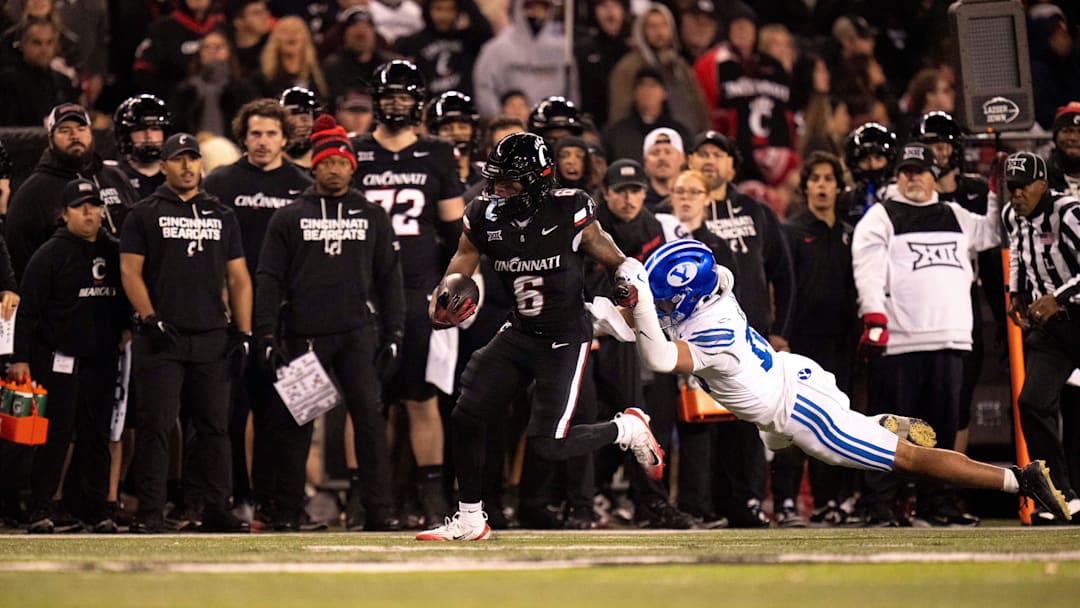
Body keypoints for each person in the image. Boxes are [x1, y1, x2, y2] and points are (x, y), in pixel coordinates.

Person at [612, 239, 1071, 526]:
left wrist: (634, 305)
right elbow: (651, 322)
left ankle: (1017, 478)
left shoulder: (713, 332)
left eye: (668, 299)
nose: (663, 307)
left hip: (800, 411)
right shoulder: (718, 286)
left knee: (909, 460)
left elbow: (656, 350)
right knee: (779, 441)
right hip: (792, 374)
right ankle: (875, 423)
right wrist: (617, 309)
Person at [415, 132, 664, 541]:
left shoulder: (569, 209)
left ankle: (627, 429)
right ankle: (471, 517)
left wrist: (627, 287)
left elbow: (615, 259)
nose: (496, 189)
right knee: (466, 415)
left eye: (508, 182)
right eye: (494, 180)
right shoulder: (482, 214)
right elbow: (462, 260)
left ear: (535, 180)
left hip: (566, 334)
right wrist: (442, 298)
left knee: (549, 444)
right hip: (521, 329)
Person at [254, 114, 405, 530]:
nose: (334, 169)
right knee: (298, 423)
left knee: (370, 422)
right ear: (314, 165)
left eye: (341, 162)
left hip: (357, 333)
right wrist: (265, 332)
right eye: (327, 163)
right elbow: (269, 279)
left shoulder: (372, 214)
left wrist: (395, 332)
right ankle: (287, 510)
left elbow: (390, 278)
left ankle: (379, 510)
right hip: (305, 334)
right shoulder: (288, 216)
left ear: (352, 166)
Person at [852, 142, 1001, 527]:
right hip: (900, 341)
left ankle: (938, 503)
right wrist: (874, 317)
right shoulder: (883, 215)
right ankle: (880, 502)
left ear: (935, 175)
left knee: (942, 430)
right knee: (890, 430)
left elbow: (992, 232)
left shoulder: (954, 214)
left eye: (920, 170)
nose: (912, 177)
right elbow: (866, 267)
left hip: (950, 340)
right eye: (906, 171)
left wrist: (997, 194)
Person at [350, 59, 464, 529]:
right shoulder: (354, 151)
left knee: (422, 399)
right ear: (377, 101)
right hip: (364, 293)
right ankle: (362, 500)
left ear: (418, 102)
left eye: (404, 95)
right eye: (389, 95)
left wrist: (451, 286)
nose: (396, 103)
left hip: (419, 290)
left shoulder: (437, 154)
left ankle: (432, 497)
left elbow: (457, 232)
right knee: (365, 400)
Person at [120, 132, 253, 533]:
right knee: (156, 425)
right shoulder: (143, 213)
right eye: (177, 159)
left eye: (192, 158)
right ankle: (151, 510)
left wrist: (243, 331)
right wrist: (148, 317)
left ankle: (215, 507)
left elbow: (239, 277)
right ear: (163, 165)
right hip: (161, 337)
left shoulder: (221, 214)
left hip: (211, 334)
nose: (186, 166)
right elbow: (129, 270)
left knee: (215, 427)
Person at [203, 98, 313, 521]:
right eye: (255, 134)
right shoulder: (221, 183)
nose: (263, 142)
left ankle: (286, 503)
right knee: (231, 413)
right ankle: (237, 497)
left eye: (271, 134)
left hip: (292, 317)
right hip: (234, 316)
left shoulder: (304, 184)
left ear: (286, 138)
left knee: (298, 412)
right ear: (242, 137)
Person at [15, 179, 125, 534]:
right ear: (64, 214)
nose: (90, 212)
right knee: (55, 436)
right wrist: (20, 358)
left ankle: (96, 511)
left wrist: (127, 327)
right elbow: (27, 312)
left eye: (94, 204)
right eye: (81, 206)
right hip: (58, 359)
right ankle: (40, 508)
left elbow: (127, 296)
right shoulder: (49, 255)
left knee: (97, 437)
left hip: (102, 361)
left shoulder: (114, 250)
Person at [772, 151, 857, 526]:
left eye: (829, 179)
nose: (822, 185)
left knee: (835, 422)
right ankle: (786, 501)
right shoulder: (790, 230)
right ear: (805, 185)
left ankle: (827, 500)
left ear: (840, 187)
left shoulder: (850, 233)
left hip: (840, 345)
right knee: (791, 424)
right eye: (816, 178)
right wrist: (780, 335)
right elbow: (783, 289)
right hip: (798, 344)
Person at [1002, 150, 1080, 523]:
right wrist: (1016, 291)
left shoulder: (1068, 212)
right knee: (1033, 401)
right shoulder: (1011, 215)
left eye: (1022, 187)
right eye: (1010, 187)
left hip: (1074, 309)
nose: (1015, 194)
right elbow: (1017, 250)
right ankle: (1060, 495)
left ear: (1043, 185)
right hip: (1053, 325)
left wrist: (1058, 296)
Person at [6, 103, 138, 279]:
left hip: (122, 292)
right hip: (65, 299)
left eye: (81, 128)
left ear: (91, 132)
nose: (75, 136)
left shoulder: (115, 177)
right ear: (50, 138)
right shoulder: (33, 193)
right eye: (64, 130)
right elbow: (18, 256)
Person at [471, 0, 578, 122]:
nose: (536, 14)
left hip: (550, 126)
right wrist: (500, 122)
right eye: (530, 7)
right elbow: (485, 89)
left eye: (542, 8)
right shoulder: (496, 49)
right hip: (509, 127)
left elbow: (572, 92)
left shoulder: (562, 49)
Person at [395, 0, 493, 98]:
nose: (444, 15)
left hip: (463, 105)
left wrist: (466, 3)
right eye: (438, 9)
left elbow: (485, 30)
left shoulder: (468, 39)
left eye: (450, 9)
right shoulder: (412, 43)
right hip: (429, 107)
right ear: (428, 10)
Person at [0, 19, 79, 126]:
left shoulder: (63, 82)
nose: (44, 49)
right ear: (23, 45)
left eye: (49, 42)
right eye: (37, 43)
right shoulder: (8, 81)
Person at [113, 94, 172, 200]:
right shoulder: (114, 177)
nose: (148, 136)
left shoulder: (176, 174)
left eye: (155, 128)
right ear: (126, 135)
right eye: (140, 129)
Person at [425, 90, 483, 185]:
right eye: (446, 129)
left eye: (462, 127)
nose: (456, 133)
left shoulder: (486, 177)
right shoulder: (426, 178)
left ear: (474, 131)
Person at [279, 86, 322, 168]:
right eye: (295, 113)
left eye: (309, 113)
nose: (305, 121)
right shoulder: (268, 162)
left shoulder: (324, 161)